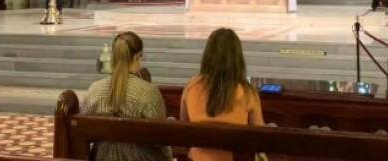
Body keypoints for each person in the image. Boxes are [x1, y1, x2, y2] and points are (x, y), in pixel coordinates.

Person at [82, 32, 171, 161]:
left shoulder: (94, 90)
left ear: (113, 56)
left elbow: (83, 131)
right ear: (139, 56)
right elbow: (160, 139)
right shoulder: (148, 92)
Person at [181, 28, 264, 161]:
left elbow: (183, 130)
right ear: (237, 58)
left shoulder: (191, 87)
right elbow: (261, 139)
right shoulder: (247, 93)